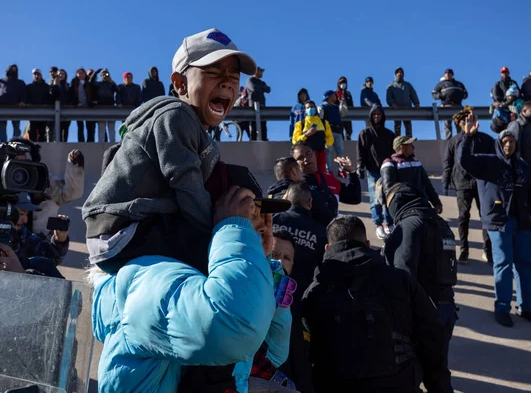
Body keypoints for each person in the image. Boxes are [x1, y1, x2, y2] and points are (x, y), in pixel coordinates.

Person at [90, 159, 291, 392]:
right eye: (246, 213)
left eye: (259, 216)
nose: (261, 226)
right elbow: (235, 326)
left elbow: (275, 353)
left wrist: (260, 259)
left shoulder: (210, 283)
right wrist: (235, 232)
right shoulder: (147, 281)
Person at [82, 28, 257, 275]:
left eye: (233, 76)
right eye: (213, 73)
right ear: (179, 83)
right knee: (216, 256)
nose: (227, 82)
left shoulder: (194, 127)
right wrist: (218, 230)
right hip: (124, 229)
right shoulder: (176, 115)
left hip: (124, 225)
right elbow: (186, 182)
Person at [302, 215, 452, 393]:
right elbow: (432, 339)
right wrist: (440, 388)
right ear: (367, 244)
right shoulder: (401, 280)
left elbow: (303, 353)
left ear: (327, 248)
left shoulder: (314, 291)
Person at [458, 115, 531, 327]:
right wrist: (468, 137)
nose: (508, 144)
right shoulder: (487, 163)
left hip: (524, 223)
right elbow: (464, 161)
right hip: (499, 223)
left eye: (512, 141)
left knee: (525, 267)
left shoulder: (523, 167)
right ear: (499, 144)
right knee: (503, 264)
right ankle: (502, 307)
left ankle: (527, 308)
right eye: (505, 141)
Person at [383, 183, 458, 374]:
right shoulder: (441, 223)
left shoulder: (409, 225)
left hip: (422, 313)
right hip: (445, 306)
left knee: (412, 375)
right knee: (437, 372)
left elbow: (403, 275)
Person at [443, 107, 495, 264]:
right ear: (460, 124)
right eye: (464, 122)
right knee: (463, 217)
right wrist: (446, 182)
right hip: (462, 183)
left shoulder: (486, 139)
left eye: (470, 120)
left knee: (485, 217)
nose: (467, 124)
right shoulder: (454, 141)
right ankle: (464, 250)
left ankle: (488, 250)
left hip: (483, 184)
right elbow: (448, 162)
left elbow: (494, 161)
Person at [9, 138, 85, 237]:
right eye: (15, 161)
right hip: (7, 239)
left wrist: (74, 166)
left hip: (42, 242)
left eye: (24, 161)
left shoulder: (45, 181)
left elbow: (71, 194)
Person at [270, 228, 314, 393]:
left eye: (286, 258)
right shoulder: (247, 298)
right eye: (274, 255)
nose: (280, 263)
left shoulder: (298, 306)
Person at [291, 141, 361, 226]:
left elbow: (354, 198)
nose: (306, 159)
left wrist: (352, 173)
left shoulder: (330, 179)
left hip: (332, 234)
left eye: (308, 154)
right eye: (300, 158)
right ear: (295, 164)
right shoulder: (296, 185)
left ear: (314, 154)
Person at [357, 105, 395, 239]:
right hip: (372, 171)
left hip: (388, 170)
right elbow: (361, 152)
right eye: (374, 115)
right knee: (375, 199)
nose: (377, 117)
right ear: (371, 116)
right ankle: (378, 224)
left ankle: (389, 223)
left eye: (379, 114)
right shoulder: (364, 134)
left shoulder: (389, 134)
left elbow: (394, 153)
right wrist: (360, 166)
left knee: (388, 197)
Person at [381, 135, 443, 214]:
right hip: (404, 209)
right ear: (402, 147)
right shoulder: (390, 164)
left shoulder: (416, 162)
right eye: (410, 145)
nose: (413, 147)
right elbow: (389, 191)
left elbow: (427, 184)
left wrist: (436, 202)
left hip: (422, 204)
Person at [291, 99, 334, 173]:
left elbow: (330, 138)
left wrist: (323, 142)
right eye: (308, 108)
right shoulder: (300, 124)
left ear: (316, 109)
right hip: (306, 154)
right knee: (307, 173)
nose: (310, 109)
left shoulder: (324, 123)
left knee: (321, 173)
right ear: (305, 110)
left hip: (320, 152)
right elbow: (295, 140)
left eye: (312, 107)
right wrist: (306, 134)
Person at [0, 64, 27, 141]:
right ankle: (4, 143)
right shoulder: (1, 81)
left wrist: (23, 101)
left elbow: (24, 93)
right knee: (2, 126)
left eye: (15, 69)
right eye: (12, 69)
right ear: (8, 70)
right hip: (2, 106)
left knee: (16, 127)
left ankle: (15, 142)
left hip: (16, 107)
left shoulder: (20, 82)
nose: (13, 71)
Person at [432, 69, 468, 140]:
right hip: (446, 106)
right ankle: (449, 141)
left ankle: (460, 139)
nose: (448, 74)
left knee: (460, 124)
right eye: (446, 73)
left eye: (449, 73)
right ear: (444, 75)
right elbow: (434, 94)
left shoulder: (459, 84)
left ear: (452, 75)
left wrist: (461, 95)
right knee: (447, 125)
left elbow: (466, 93)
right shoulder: (441, 84)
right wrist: (440, 96)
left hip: (458, 106)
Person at [386, 67, 420, 137]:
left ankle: (409, 141)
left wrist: (416, 103)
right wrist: (392, 104)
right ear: (395, 74)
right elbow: (388, 97)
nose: (400, 74)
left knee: (408, 127)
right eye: (398, 72)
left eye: (401, 72)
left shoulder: (407, 85)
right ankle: (398, 143)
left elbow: (413, 94)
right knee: (397, 128)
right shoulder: (391, 86)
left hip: (407, 109)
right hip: (396, 110)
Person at [319, 90, 346, 174]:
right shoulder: (322, 107)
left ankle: (341, 170)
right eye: (333, 95)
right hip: (328, 132)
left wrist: (342, 101)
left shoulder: (336, 107)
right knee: (328, 151)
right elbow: (321, 119)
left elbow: (344, 112)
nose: (335, 96)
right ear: (329, 97)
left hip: (338, 131)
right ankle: (328, 170)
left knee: (340, 151)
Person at [92, 68, 119, 142]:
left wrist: (111, 81)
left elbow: (118, 90)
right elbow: (91, 82)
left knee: (111, 128)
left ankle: (112, 143)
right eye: (103, 74)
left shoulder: (111, 84)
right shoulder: (98, 84)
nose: (105, 75)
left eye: (106, 74)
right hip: (101, 107)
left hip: (111, 107)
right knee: (101, 128)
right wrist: (95, 73)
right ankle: (100, 143)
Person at [70, 67, 95, 142]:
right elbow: (72, 95)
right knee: (80, 125)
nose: (81, 74)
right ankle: (81, 140)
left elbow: (93, 93)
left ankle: (90, 140)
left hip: (88, 107)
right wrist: (75, 103)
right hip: (78, 107)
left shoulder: (88, 82)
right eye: (79, 73)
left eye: (82, 73)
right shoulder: (74, 83)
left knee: (89, 125)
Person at [246, 66, 270, 141]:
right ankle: (253, 141)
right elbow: (253, 88)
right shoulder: (250, 80)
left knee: (263, 125)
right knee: (253, 125)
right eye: (260, 71)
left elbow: (268, 89)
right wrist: (262, 88)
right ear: (256, 72)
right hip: (253, 105)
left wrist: (260, 88)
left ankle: (264, 140)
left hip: (262, 105)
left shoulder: (261, 82)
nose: (262, 73)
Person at [26, 68, 51, 142]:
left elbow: (50, 98)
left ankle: (41, 149)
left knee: (42, 132)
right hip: (32, 113)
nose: (36, 76)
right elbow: (26, 98)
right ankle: (32, 147)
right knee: (32, 132)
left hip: (43, 113)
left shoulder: (46, 87)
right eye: (35, 74)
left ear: (41, 75)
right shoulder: (29, 87)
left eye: (38, 74)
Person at [49, 69, 72, 142]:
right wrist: (55, 85)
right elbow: (52, 97)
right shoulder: (53, 85)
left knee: (65, 129)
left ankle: (64, 142)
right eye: (59, 74)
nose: (61, 75)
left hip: (66, 110)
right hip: (56, 110)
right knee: (57, 128)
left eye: (62, 74)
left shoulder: (68, 86)